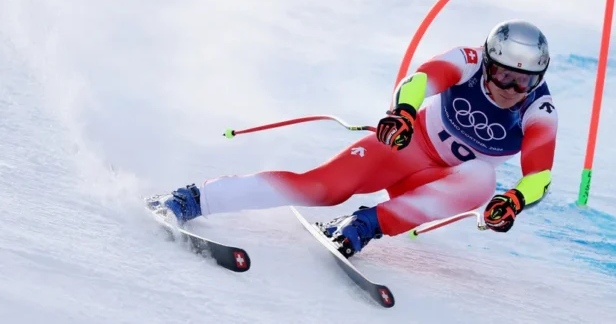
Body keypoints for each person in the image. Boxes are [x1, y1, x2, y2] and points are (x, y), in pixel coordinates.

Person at [147, 19, 558, 257]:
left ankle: (363, 225)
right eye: (503, 74)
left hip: (434, 183)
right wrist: (403, 112)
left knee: (483, 180)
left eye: (523, 81)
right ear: (487, 62)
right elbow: (420, 79)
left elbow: (539, 176)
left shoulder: (538, 109)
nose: (511, 88)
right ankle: (194, 198)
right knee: (322, 189)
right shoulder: (467, 61)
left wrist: (514, 200)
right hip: (405, 148)